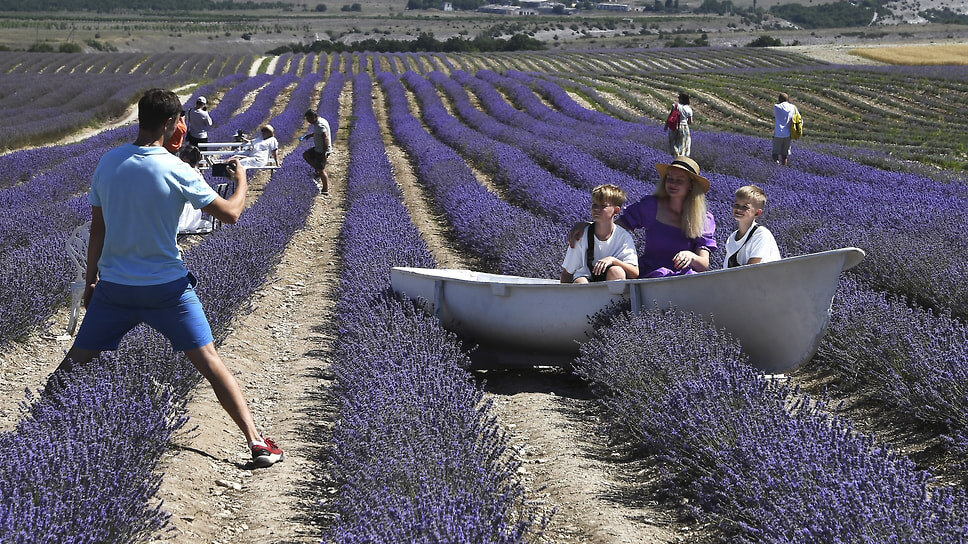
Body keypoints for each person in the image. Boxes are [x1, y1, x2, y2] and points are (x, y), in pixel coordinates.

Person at [47, 88, 283, 469]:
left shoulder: (108, 163)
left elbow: (97, 231)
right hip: (166, 290)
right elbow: (231, 214)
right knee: (209, 362)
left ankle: (38, 427)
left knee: (73, 364)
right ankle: (256, 442)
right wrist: (242, 180)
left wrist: (91, 282)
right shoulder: (177, 169)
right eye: (182, 121)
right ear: (171, 123)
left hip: (115, 289)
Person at [570, 156, 716, 278]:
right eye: (669, 179)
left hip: (683, 278)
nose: (672, 184)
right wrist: (588, 226)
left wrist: (691, 256)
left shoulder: (703, 219)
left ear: (691, 186)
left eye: (679, 180)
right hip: (650, 274)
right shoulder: (652, 206)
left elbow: (703, 264)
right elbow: (615, 228)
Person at [561, 184, 639, 284]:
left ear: (616, 210)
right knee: (580, 282)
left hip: (611, 282)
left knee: (616, 272)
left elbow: (635, 272)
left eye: (603, 206)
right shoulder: (581, 235)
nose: (596, 209)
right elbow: (567, 273)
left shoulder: (623, 237)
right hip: (586, 280)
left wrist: (613, 260)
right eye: (594, 205)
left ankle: (616, 300)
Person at [724, 185, 781, 268]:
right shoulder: (732, 238)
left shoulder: (761, 234)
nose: (739, 209)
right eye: (736, 205)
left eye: (745, 207)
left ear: (757, 213)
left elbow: (751, 270)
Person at [300, 109, 332, 195]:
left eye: (308, 119)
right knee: (306, 155)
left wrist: (324, 152)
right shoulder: (320, 121)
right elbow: (319, 133)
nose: (308, 121)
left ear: (313, 117)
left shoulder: (320, 124)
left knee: (322, 170)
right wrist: (310, 135)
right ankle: (317, 170)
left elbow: (325, 138)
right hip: (318, 148)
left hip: (322, 150)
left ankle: (325, 189)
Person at [772, 92, 799, 165]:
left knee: (775, 154)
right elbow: (799, 119)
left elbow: (774, 115)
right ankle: (784, 169)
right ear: (788, 99)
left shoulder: (776, 106)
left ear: (779, 99)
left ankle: (776, 165)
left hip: (778, 133)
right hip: (788, 134)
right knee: (784, 156)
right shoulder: (793, 107)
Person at [667, 92, 693, 157]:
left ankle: (676, 157)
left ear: (681, 99)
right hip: (684, 127)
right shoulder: (689, 109)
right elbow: (690, 122)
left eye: (679, 98)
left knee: (673, 143)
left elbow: (670, 117)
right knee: (684, 143)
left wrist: (666, 126)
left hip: (674, 126)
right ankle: (681, 158)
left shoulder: (675, 106)